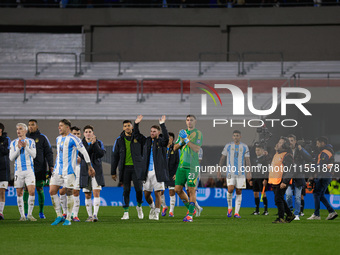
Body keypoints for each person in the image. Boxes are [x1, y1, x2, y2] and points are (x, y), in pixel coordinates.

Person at [49, 119, 95, 226]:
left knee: (69, 192)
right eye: (58, 125)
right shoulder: (58, 138)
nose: (59, 127)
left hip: (69, 171)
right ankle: (59, 215)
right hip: (57, 170)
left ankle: (68, 218)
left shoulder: (74, 139)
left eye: (61, 126)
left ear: (67, 127)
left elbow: (84, 152)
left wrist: (89, 167)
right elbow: (59, 154)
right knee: (52, 191)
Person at [136, 115, 169, 220]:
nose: (152, 133)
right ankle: (152, 207)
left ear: (158, 133)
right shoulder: (146, 141)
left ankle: (157, 214)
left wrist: (162, 124)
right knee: (146, 195)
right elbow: (136, 135)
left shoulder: (161, 142)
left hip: (157, 172)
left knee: (157, 193)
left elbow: (167, 138)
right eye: (151, 131)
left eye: (154, 131)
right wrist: (136, 124)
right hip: (146, 172)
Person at [111, 118, 144, 220]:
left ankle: (139, 206)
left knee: (139, 189)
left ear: (132, 127)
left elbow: (144, 148)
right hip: (124, 169)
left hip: (136, 168)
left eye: (129, 126)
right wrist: (113, 171)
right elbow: (115, 156)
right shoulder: (119, 140)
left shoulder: (138, 137)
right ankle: (126, 212)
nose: (127, 127)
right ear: (123, 128)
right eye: (125, 126)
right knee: (126, 190)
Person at [174, 114, 203, 222]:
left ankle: (190, 215)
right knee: (177, 189)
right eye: (187, 120)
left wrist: (186, 140)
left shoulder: (198, 133)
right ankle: (191, 209)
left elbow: (196, 148)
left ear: (195, 122)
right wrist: (181, 141)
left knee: (191, 190)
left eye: (191, 120)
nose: (189, 122)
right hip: (181, 166)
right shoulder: (182, 133)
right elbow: (175, 147)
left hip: (192, 166)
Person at [24, 119, 54, 219]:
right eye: (29, 125)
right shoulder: (25, 138)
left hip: (39, 168)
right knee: (26, 189)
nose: (30, 127)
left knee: (39, 188)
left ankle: (41, 212)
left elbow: (49, 153)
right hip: (27, 168)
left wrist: (51, 166)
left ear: (37, 126)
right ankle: (25, 213)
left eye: (32, 125)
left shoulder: (42, 138)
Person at [218, 130, 251, 218]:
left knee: (239, 191)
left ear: (240, 136)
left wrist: (249, 171)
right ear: (232, 137)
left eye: (237, 135)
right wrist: (219, 169)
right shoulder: (228, 146)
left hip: (241, 173)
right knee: (230, 189)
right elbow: (222, 158)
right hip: (230, 172)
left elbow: (247, 160)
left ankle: (236, 212)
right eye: (234, 135)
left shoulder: (244, 146)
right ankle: (229, 208)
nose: (236, 137)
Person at [9, 123, 37, 221]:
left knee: (32, 191)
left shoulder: (31, 141)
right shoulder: (13, 143)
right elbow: (11, 158)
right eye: (17, 129)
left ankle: (29, 214)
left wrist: (26, 147)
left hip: (29, 170)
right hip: (18, 171)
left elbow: (34, 155)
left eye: (20, 129)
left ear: (25, 131)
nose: (18, 131)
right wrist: (18, 148)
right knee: (19, 193)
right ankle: (22, 216)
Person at [79, 125, 105, 222]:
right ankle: (89, 215)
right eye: (86, 131)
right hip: (85, 171)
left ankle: (95, 215)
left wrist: (95, 144)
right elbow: (82, 155)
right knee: (87, 194)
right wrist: (91, 145)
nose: (88, 133)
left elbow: (101, 154)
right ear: (84, 133)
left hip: (97, 171)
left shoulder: (99, 142)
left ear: (93, 133)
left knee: (96, 192)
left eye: (90, 131)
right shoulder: (81, 143)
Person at [307, 136, 338, 220]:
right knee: (320, 195)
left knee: (316, 193)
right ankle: (331, 212)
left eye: (318, 143)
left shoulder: (325, 152)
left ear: (322, 143)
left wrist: (312, 167)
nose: (317, 145)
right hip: (326, 175)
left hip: (324, 175)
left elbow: (322, 165)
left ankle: (317, 215)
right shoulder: (326, 151)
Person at [285, 134, 313, 220]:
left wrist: (301, 150)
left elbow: (309, 159)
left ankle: (296, 214)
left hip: (299, 175)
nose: (290, 142)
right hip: (289, 176)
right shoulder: (286, 150)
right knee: (288, 195)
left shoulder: (300, 149)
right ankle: (290, 212)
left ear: (295, 141)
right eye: (289, 141)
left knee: (297, 196)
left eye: (292, 140)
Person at [268, 137, 295, 224]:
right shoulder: (277, 154)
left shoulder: (287, 156)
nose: (278, 144)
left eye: (280, 143)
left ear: (284, 145)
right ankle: (290, 215)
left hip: (281, 181)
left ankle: (281, 218)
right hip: (275, 180)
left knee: (278, 199)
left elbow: (290, 170)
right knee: (280, 199)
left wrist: (285, 181)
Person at [160, 132, 179, 217]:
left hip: (172, 173)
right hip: (162, 173)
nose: (168, 139)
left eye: (170, 138)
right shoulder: (161, 148)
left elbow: (178, 162)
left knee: (172, 192)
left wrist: (176, 173)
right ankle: (164, 206)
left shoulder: (175, 148)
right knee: (160, 192)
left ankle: (171, 211)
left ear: (172, 139)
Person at [249, 144, 270, 216]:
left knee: (263, 193)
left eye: (258, 150)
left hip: (261, 178)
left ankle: (266, 210)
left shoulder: (264, 159)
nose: (257, 151)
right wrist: (251, 179)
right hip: (255, 178)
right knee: (255, 193)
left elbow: (267, 170)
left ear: (262, 151)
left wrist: (265, 179)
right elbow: (253, 170)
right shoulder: (254, 160)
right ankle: (257, 210)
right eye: (256, 150)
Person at [70, 126, 82, 221]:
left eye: (78, 134)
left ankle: (75, 215)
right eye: (74, 133)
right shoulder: (65, 141)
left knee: (76, 192)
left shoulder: (82, 144)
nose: (76, 135)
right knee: (64, 191)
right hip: (66, 170)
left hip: (77, 169)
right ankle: (65, 212)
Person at [0, 123, 11, 220]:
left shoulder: (7, 140)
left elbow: (7, 151)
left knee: (2, 191)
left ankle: (0, 212)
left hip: (4, 169)